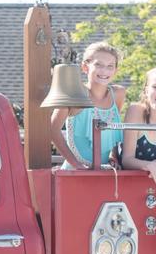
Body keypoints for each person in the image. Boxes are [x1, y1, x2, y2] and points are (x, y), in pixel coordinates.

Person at [49, 42, 127, 170]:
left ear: (115, 70)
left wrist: (113, 155)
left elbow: (112, 130)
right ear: (85, 67)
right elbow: (52, 129)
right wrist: (76, 164)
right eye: (98, 65)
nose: (104, 71)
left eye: (110, 66)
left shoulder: (118, 94)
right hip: (76, 172)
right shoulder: (73, 93)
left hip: (105, 172)